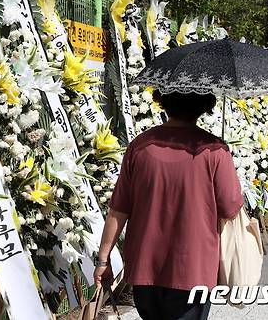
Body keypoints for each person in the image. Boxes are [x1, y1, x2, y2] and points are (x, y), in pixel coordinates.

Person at [94, 91, 244, 320]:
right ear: (203, 105)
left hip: (145, 264)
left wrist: (104, 259)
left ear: (163, 101)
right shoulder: (214, 150)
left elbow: (119, 208)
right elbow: (230, 207)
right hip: (194, 266)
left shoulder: (141, 146)